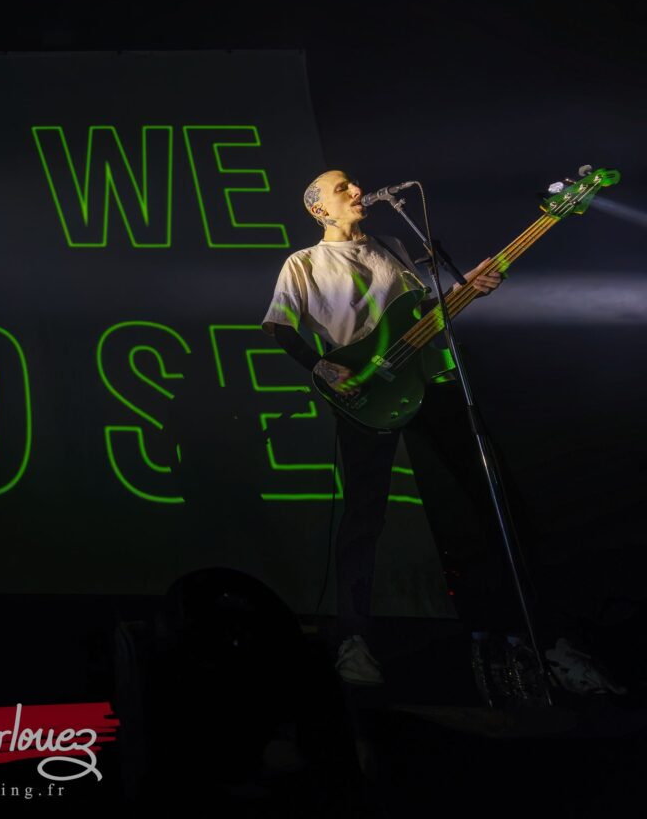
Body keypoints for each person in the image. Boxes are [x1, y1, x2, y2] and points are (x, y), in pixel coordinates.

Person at [260, 170, 609, 693]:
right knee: (363, 520)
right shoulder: (304, 262)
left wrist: (468, 290)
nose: (356, 191)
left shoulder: (393, 245)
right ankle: (353, 641)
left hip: (430, 381)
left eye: (353, 184)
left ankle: (548, 641)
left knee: (493, 501)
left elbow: (421, 314)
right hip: (364, 394)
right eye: (342, 188)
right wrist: (321, 366)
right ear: (319, 209)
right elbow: (280, 325)